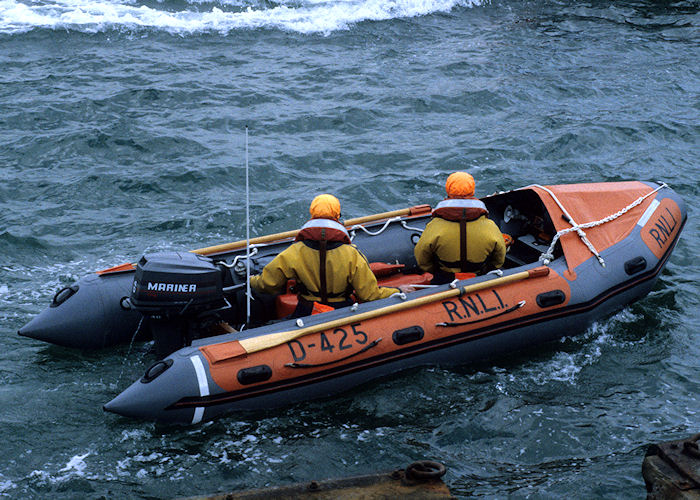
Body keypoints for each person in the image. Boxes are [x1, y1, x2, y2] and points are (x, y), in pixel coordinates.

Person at [250, 194, 407, 317]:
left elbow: (267, 284)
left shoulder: (294, 251)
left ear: (312, 215)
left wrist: (250, 281)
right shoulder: (351, 254)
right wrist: (398, 291)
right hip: (342, 312)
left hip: (306, 311)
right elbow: (369, 294)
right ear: (337, 216)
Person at [414, 172, 506, 284]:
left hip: (444, 278)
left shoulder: (434, 226)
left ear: (448, 190)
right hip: (479, 277)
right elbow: (500, 257)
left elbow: (421, 256)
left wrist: (433, 270)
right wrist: (488, 269)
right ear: (472, 191)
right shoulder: (490, 226)